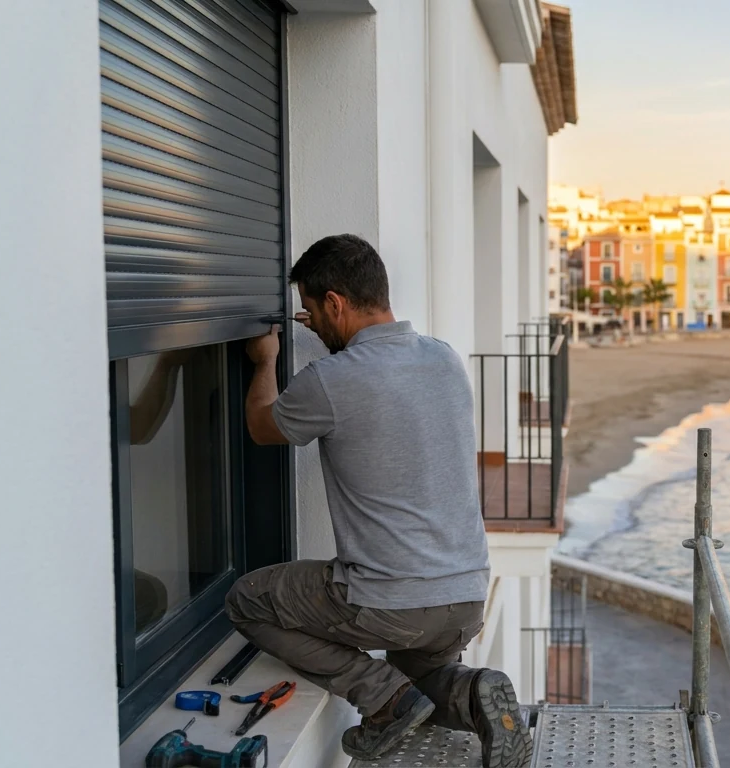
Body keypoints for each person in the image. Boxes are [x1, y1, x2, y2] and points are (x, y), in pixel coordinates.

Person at [226, 234, 531, 766]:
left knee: (247, 599)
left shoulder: (330, 380)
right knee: (425, 682)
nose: (313, 323)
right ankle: (474, 692)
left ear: (336, 303)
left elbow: (261, 426)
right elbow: (382, 394)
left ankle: (383, 698)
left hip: (391, 601)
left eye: (314, 311)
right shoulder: (443, 359)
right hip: (463, 596)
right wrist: (332, 339)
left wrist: (264, 361)